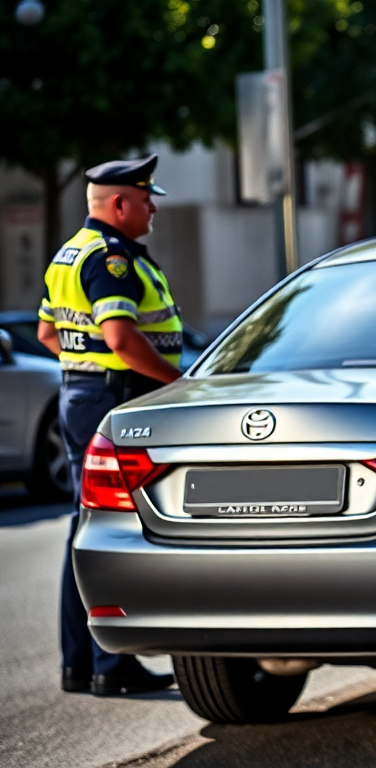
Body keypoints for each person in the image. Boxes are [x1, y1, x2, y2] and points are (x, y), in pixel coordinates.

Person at [36, 155, 181, 695]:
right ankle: (109, 665)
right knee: (108, 530)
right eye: (146, 199)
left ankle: (82, 663)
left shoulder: (69, 253)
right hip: (115, 402)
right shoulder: (111, 259)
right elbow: (121, 338)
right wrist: (180, 382)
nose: (153, 208)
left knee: (85, 527)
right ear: (119, 204)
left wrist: (85, 374)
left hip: (83, 394)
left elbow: (50, 335)